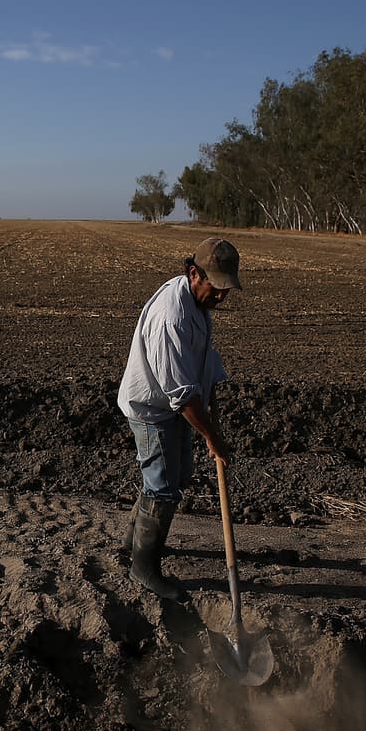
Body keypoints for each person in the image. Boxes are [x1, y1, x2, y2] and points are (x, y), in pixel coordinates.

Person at [116, 236, 241, 600]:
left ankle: (133, 542)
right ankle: (144, 568)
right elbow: (181, 394)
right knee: (164, 486)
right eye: (215, 288)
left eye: (226, 290)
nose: (221, 297)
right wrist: (213, 437)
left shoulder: (197, 304)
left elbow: (202, 365)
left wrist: (212, 411)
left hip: (172, 404)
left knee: (174, 474)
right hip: (153, 409)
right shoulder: (171, 316)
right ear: (193, 273)